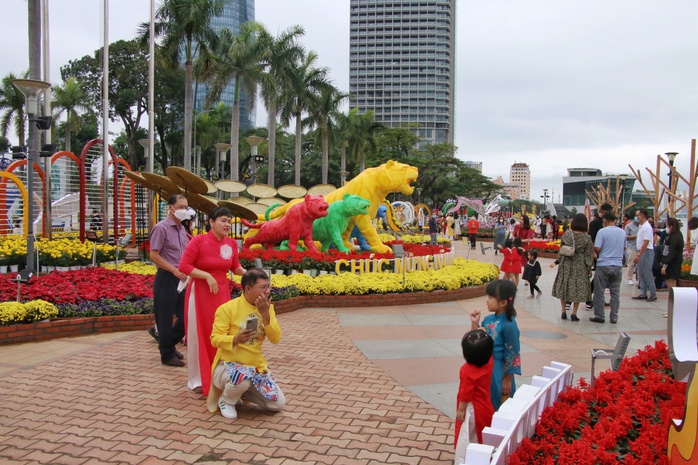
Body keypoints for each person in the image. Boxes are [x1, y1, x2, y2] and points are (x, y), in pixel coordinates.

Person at [179, 206, 246, 395]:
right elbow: (184, 266)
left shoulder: (231, 244)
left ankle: (220, 375)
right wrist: (207, 276)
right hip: (200, 294)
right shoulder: (198, 241)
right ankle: (198, 379)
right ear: (211, 222)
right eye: (223, 220)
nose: (227, 224)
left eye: (229, 221)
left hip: (221, 293)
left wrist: (249, 275)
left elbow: (235, 267)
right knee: (200, 333)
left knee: (222, 332)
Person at [206, 268, 285, 419]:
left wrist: (265, 315)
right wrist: (235, 339)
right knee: (243, 378)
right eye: (263, 287)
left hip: (256, 367)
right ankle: (226, 400)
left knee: (277, 404)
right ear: (248, 288)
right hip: (227, 365)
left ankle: (241, 392)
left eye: (268, 286)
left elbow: (275, 339)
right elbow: (215, 339)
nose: (268, 291)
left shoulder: (268, 309)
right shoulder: (227, 309)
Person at [149, 194, 189, 367]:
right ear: (170, 208)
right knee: (164, 317)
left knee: (186, 315)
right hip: (167, 277)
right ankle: (166, 354)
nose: (184, 210)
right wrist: (173, 270)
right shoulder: (161, 228)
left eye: (186, 207)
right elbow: (154, 255)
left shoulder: (181, 229)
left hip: (181, 278)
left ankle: (169, 344)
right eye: (180, 207)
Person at [469, 279, 521, 411]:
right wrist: (475, 324)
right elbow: (478, 342)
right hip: (485, 368)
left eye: (491, 297)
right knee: (484, 404)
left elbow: (513, 353)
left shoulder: (509, 325)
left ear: (503, 302)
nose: (487, 300)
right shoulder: (489, 319)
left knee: (498, 406)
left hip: (499, 371)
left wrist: (507, 380)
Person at [454, 329, 494, 449]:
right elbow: (483, 348)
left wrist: (461, 410)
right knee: (482, 431)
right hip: (485, 405)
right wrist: (477, 329)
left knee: (469, 435)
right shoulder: (489, 362)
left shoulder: (467, 370)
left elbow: (466, 392)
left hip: (472, 408)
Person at [551, 213, 594, 321]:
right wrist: (589, 268)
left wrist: (558, 262)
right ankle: (574, 313)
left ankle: (563, 311)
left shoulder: (567, 234)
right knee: (577, 288)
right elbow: (589, 255)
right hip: (580, 266)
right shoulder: (587, 238)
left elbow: (561, 249)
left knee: (564, 286)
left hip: (566, 264)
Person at [590, 212, 626, 324]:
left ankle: (600, 316)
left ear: (605, 220)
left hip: (604, 264)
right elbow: (624, 247)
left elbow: (597, 248)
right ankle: (614, 317)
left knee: (599, 291)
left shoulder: (602, 231)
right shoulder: (622, 232)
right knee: (615, 293)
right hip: (617, 265)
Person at [631, 209, 657, 302]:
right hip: (641, 251)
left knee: (647, 273)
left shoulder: (647, 227)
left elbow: (646, 242)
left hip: (646, 252)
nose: (637, 217)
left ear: (643, 216)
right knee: (641, 273)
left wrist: (639, 254)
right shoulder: (641, 226)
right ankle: (643, 292)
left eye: (638, 215)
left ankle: (653, 294)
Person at [661, 218, 685, 292]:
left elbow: (672, 252)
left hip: (672, 263)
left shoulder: (674, 237)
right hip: (676, 262)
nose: (666, 228)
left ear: (671, 226)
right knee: (672, 283)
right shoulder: (678, 235)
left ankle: (674, 300)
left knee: (671, 284)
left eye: (667, 226)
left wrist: (665, 264)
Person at [624, 215, 639, 285]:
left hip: (640, 247)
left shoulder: (643, 226)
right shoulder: (628, 226)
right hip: (632, 247)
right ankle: (629, 278)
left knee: (640, 264)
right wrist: (636, 236)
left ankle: (639, 278)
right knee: (631, 263)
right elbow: (626, 237)